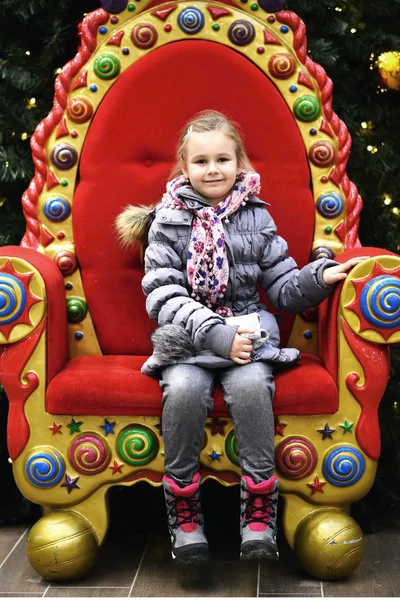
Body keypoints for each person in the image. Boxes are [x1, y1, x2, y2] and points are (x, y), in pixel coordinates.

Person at [115, 110, 365, 566]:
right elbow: (162, 293)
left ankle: (259, 505)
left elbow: (284, 289)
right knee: (186, 390)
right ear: (184, 168)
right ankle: (184, 508)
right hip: (189, 338)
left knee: (251, 387)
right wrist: (214, 333)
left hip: (247, 333)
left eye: (223, 159)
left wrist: (321, 276)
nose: (213, 170)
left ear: (239, 162)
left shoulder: (256, 218)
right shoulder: (168, 221)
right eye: (202, 161)